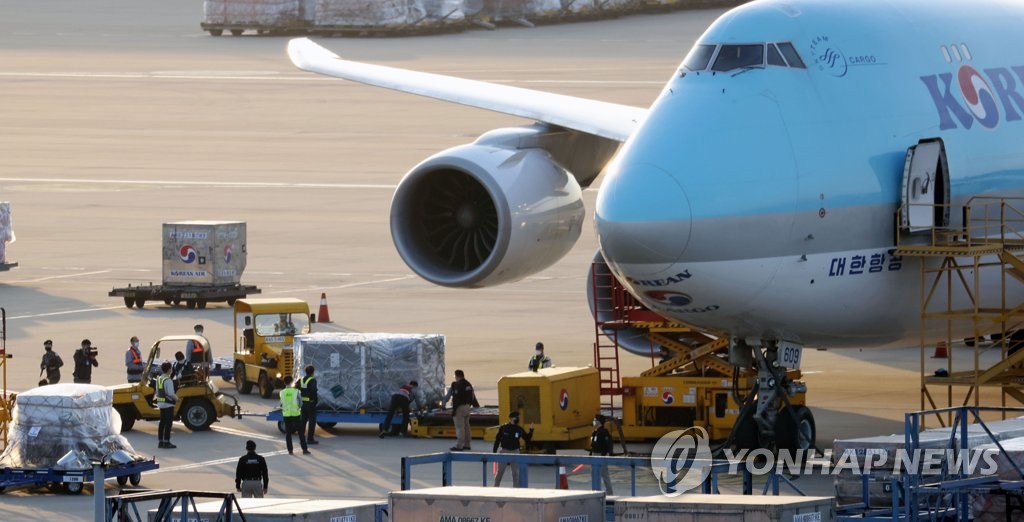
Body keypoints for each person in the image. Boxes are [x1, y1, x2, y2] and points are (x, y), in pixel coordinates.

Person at [492, 411, 534, 487]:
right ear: (511, 418)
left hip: (515, 451)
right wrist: (494, 452)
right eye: (516, 417)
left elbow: (527, 438)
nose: (518, 419)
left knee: (515, 473)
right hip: (504, 451)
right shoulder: (503, 428)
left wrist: (531, 430)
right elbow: (497, 440)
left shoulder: (519, 429)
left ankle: (516, 490)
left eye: (518, 417)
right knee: (500, 472)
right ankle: (495, 488)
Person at [442, 369, 478, 451]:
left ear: (456, 376)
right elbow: (473, 396)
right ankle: (467, 444)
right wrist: (475, 406)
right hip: (467, 407)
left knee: (460, 427)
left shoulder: (456, 385)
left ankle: (459, 445)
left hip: (459, 408)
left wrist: (449, 407)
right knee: (467, 426)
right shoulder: (468, 384)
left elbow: (452, 397)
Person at [280, 375, 309, 455]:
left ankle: (290, 450)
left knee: (288, 433)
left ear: (284, 383)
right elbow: (301, 403)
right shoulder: (296, 391)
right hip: (296, 414)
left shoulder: (281, 392)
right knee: (300, 432)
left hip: (286, 415)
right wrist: (297, 408)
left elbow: (281, 403)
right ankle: (304, 449)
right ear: (292, 382)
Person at [589, 414, 614, 494]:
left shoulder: (604, 432)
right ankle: (595, 491)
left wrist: (604, 454)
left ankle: (609, 492)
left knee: (604, 474)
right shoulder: (595, 432)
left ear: (599, 422)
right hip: (594, 455)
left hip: (601, 455)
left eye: (595, 420)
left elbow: (608, 445)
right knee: (594, 474)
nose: (594, 421)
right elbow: (592, 445)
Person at [156, 361, 177, 449]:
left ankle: (160, 441)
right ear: (169, 370)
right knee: (168, 423)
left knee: (162, 423)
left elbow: (157, 392)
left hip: (161, 403)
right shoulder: (168, 380)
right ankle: (167, 442)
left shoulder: (159, 379)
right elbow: (171, 393)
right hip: (168, 404)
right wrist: (177, 398)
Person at [298, 365, 319, 444]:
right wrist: (314, 401)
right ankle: (310, 439)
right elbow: (314, 392)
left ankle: (302, 439)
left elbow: (297, 387)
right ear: (313, 372)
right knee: (312, 422)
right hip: (311, 404)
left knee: (303, 422)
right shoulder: (312, 380)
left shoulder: (302, 379)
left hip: (303, 404)